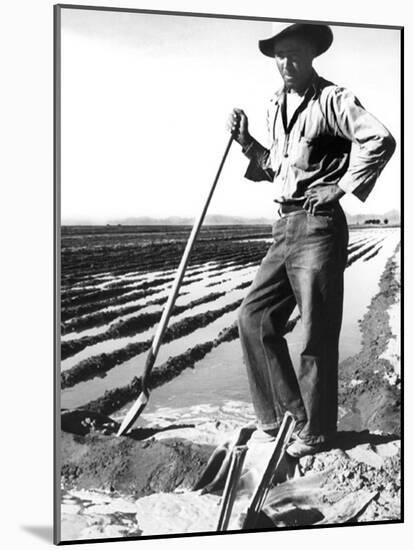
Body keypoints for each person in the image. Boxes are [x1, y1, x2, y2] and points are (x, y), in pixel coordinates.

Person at [228, 23, 396, 458]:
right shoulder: (274, 106)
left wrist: (341, 187)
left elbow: (380, 138)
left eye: (295, 53)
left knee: (314, 334)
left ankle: (317, 433)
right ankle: (283, 419)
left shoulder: (332, 99)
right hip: (282, 226)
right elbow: (277, 168)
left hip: (318, 226)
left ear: (312, 55)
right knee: (253, 317)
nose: (286, 62)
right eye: (280, 55)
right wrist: (247, 144)